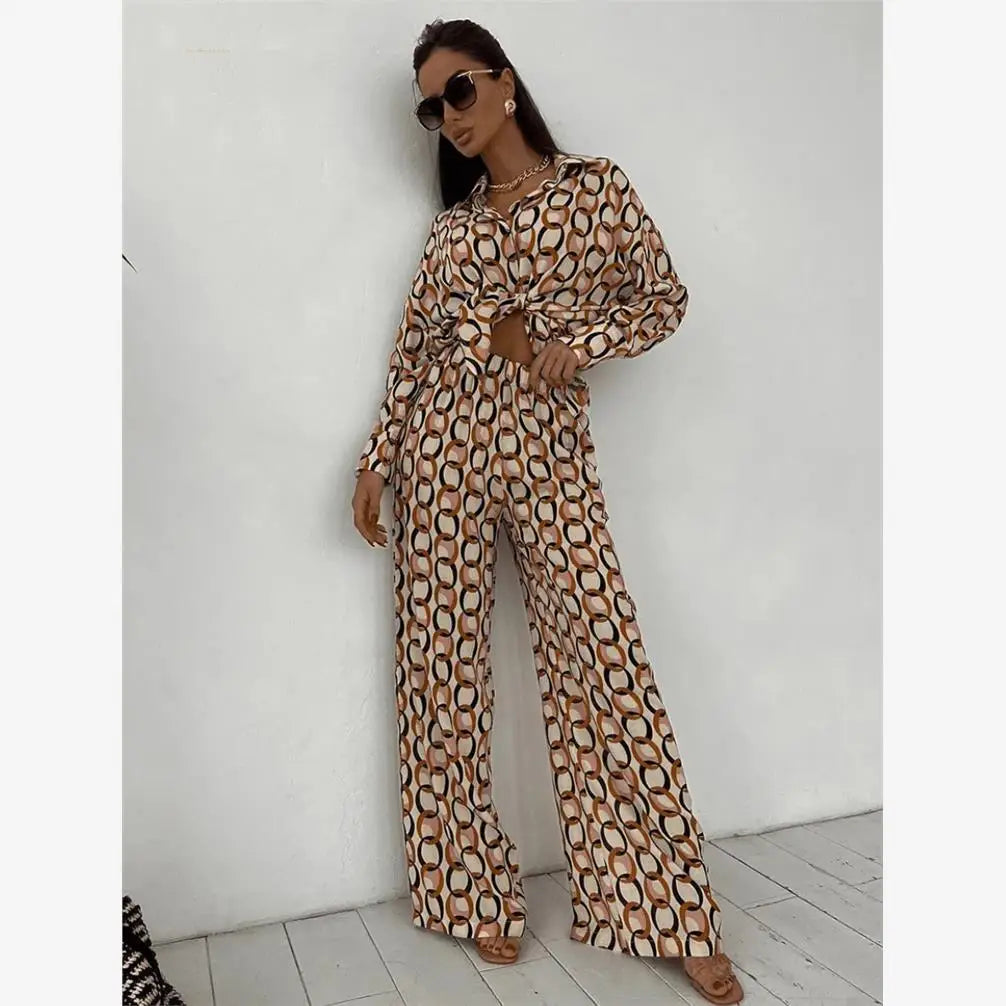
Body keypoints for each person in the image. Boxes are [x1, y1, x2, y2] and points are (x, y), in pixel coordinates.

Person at [351, 17, 743, 1005]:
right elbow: (415, 347)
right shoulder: (453, 230)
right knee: (442, 672)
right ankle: (471, 892)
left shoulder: (595, 189)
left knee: (602, 656)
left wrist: (580, 340)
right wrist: (377, 458)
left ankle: (671, 909)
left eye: (458, 91)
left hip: (545, 447)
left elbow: (663, 298)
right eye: (430, 108)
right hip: (440, 448)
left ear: (504, 81)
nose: (448, 117)